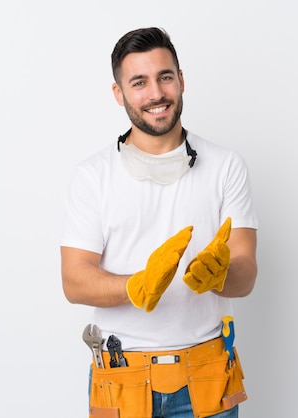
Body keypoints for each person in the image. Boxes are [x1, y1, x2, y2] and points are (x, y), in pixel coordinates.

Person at [60, 27, 258, 418]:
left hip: (208, 376)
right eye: (139, 82)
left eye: (165, 77)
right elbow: (73, 280)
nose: (156, 94)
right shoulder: (92, 175)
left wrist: (219, 275)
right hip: (122, 379)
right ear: (119, 93)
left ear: (181, 81)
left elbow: (247, 274)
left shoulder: (225, 166)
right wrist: (137, 285)